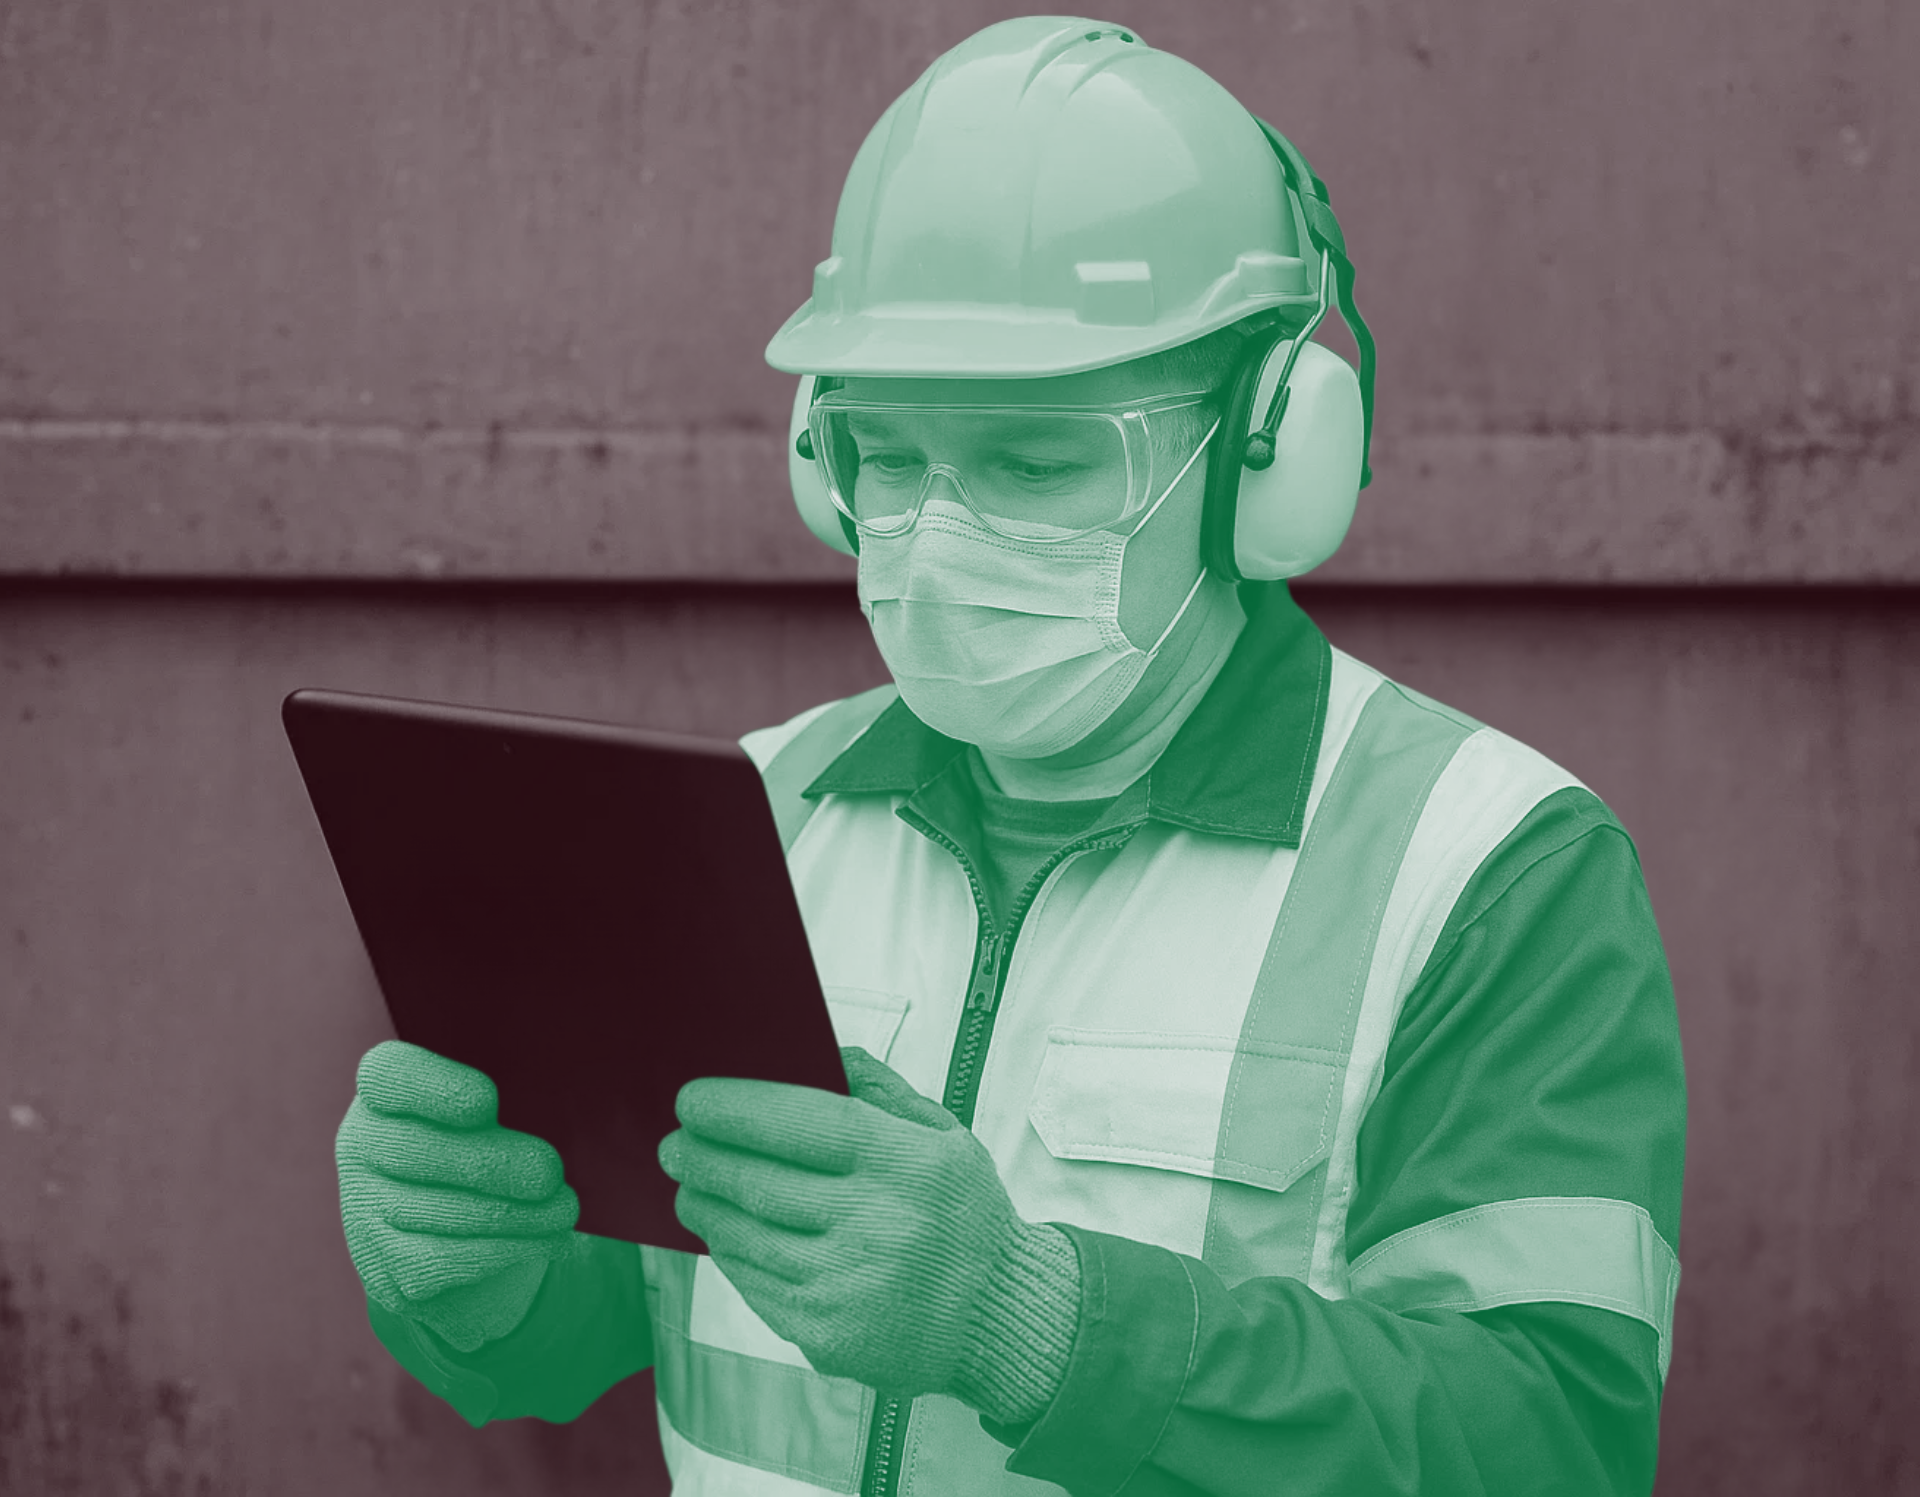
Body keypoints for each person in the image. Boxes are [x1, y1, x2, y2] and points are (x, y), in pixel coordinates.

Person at [333, 17, 1685, 1495]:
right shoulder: (749, 818)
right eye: (888, 456)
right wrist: (473, 1269)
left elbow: (1552, 1442)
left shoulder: (1488, 872)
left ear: (1268, 449)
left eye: (1036, 458)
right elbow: (596, 1331)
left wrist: (1028, 1323)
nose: (938, 528)